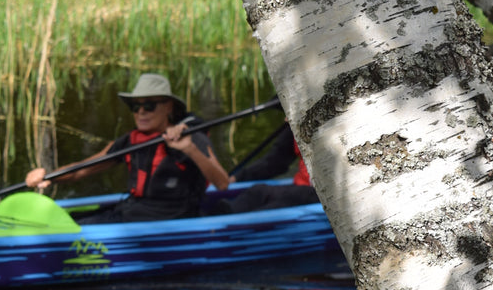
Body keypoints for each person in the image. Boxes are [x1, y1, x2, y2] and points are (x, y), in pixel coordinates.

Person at [25, 73, 230, 223]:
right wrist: (48, 176)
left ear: (168, 107)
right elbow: (84, 168)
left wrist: (189, 149)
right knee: (72, 218)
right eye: (135, 107)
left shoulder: (190, 137)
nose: (141, 112)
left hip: (173, 216)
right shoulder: (131, 140)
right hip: (134, 211)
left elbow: (222, 183)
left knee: (82, 224)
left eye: (149, 105)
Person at [216, 119, 318, 213]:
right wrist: (237, 178)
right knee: (257, 191)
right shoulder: (299, 118)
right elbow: (274, 163)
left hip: (321, 194)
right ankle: (222, 216)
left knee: (284, 200)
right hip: (301, 187)